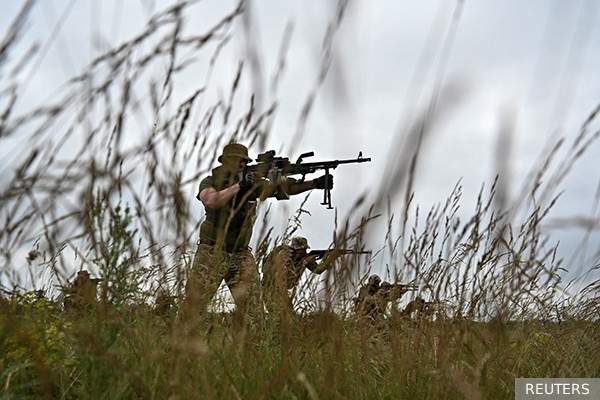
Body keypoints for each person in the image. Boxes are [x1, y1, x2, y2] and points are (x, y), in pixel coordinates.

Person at [181, 142, 333, 332]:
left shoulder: (254, 184)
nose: (240, 165)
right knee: (193, 310)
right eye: (236, 161)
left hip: (241, 256)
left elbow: (284, 188)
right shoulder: (211, 182)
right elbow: (212, 201)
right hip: (212, 252)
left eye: (244, 162)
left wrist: (315, 183)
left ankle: (249, 354)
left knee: (254, 317)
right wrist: (241, 185)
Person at [261, 236, 340, 319]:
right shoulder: (283, 253)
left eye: (305, 250)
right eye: (302, 250)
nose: (304, 252)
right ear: (296, 248)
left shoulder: (303, 258)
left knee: (289, 318)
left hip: (280, 291)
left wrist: (328, 260)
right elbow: (271, 272)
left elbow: (318, 270)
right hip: (271, 290)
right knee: (281, 318)